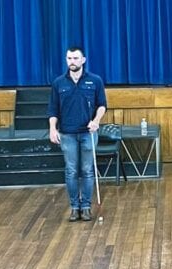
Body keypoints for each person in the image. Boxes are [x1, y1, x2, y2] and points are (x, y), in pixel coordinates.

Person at [47, 45, 107, 222]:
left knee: (87, 171)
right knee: (71, 171)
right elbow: (53, 109)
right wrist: (52, 128)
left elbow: (102, 105)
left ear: (83, 60)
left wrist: (96, 121)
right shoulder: (58, 83)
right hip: (67, 134)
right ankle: (74, 207)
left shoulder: (95, 80)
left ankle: (86, 207)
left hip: (88, 133)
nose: (72, 62)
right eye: (69, 58)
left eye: (75, 58)